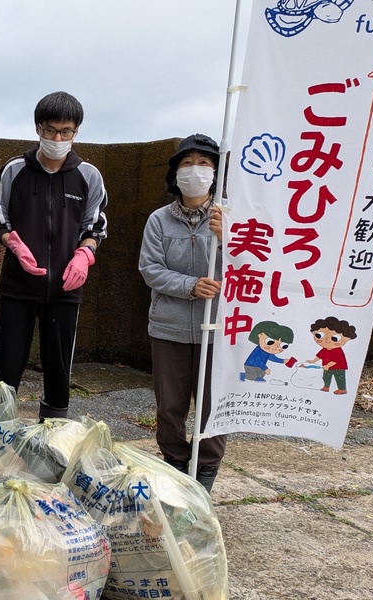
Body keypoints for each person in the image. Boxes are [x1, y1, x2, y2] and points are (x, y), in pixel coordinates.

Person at [0, 91, 108, 420]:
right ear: (38, 128)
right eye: (50, 130)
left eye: (65, 132)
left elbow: (95, 225)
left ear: (76, 132)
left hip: (66, 288)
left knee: (59, 370)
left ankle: (53, 433)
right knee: (8, 368)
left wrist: (85, 254)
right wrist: (12, 242)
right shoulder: (14, 170)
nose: (57, 139)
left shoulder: (88, 176)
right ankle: (0, 430)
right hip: (19, 286)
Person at [138, 133, 225, 492]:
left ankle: (205, 474)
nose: (195, 170)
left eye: (204, 163)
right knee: (170, 406)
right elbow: (150, 269)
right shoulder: (159, 220)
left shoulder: (229, 218)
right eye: (187, 163)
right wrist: (190, 285)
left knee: (213, 407)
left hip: (217, 329)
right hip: (168, 328)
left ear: (216, 173)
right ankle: (174, 464)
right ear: (175, 173)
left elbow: (251, 267)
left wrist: (229, 237)